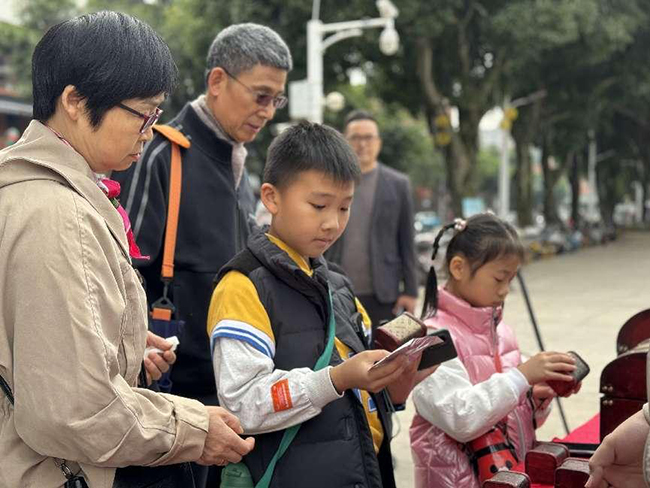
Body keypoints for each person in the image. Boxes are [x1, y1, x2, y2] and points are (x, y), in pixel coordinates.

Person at [0, 12, 253, 487]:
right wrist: (193, 429)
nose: (149, 130)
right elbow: (74, 411)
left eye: (157, 115)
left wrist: (124, 344)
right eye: (143, 113)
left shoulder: (30, 192)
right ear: (75, 101)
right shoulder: (60, 215)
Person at [208, 121, 436, 488]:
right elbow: (242, 403)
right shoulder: (242, 287)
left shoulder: (338, 285)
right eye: (318, 205)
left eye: (345, 208)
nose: (332, 223)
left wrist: (398, 380)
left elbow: (369, 400)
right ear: (271, 197)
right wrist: (336, 379)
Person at [112, 23, 292, 485]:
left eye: (277, 100)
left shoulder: (241, 165)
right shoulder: (159, 154)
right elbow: (121, 272)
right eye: (260, 95)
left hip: (227, 401)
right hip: (168, 401)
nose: (268, 111)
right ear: (217, 81)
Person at [409, 213, 580, 488]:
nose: (505, 291)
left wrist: (536, 397)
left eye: (511, 279)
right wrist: (521, 377)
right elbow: (460, 418)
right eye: (499, 278)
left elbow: (517, 420)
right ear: (458, 267)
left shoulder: (501, 331)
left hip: (507, 475)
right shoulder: (433, 338)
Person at [326, 110, 418, 328]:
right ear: (344, 141)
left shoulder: (398, 184)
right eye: (355, 138)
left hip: (384, 293)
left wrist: (411, 291)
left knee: (384, 356)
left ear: (379, 142)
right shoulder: (330, 181)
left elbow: (407, 240)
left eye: (369, 138)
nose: (362, 144)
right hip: (336, 290)